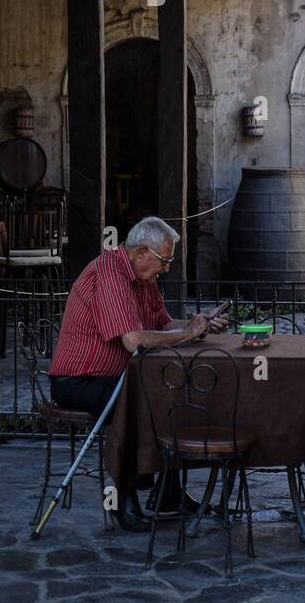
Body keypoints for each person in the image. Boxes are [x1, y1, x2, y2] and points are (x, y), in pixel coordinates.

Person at [48, 216, 228, 531]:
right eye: (165, 260)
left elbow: (162, 326)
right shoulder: (110, 275)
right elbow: (133, 339)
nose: (167, 268)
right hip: (77, 381)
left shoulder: (144, 279)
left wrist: (198, 325)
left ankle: (167, 493)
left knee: (171, 396)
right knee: (136, 404)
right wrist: (187, 335)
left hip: (115, 378)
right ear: (142, 252)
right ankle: (123, 499)